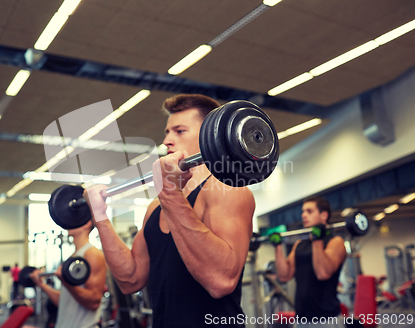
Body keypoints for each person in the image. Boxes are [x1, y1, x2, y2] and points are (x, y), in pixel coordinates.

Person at [84, 94, 255, 327]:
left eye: (179, 131)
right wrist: (101, 217)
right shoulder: (156, 205)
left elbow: (221, 281)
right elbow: (130, 279)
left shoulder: (227, 189)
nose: (167, 141)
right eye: (167, 132)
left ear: (209, 135)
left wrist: (170, 193)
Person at [270, 197, 347, 328]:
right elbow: (284, 276)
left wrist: (317, 239)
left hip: (327, 319)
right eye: (303, 211)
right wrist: (277, 246)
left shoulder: (336, 242)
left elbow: (323, 273)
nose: (303, 215)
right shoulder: (300, 244)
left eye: (309, 211)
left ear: (324, 215)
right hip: (301, 320)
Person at [30, 221, 106, 328]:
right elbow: (64, 301)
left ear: (87, 223)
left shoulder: (92, 254)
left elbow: (93, 303)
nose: (68, 221)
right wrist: (42, 285)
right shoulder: (72, 257)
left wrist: (66, 282)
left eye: (74, 218)